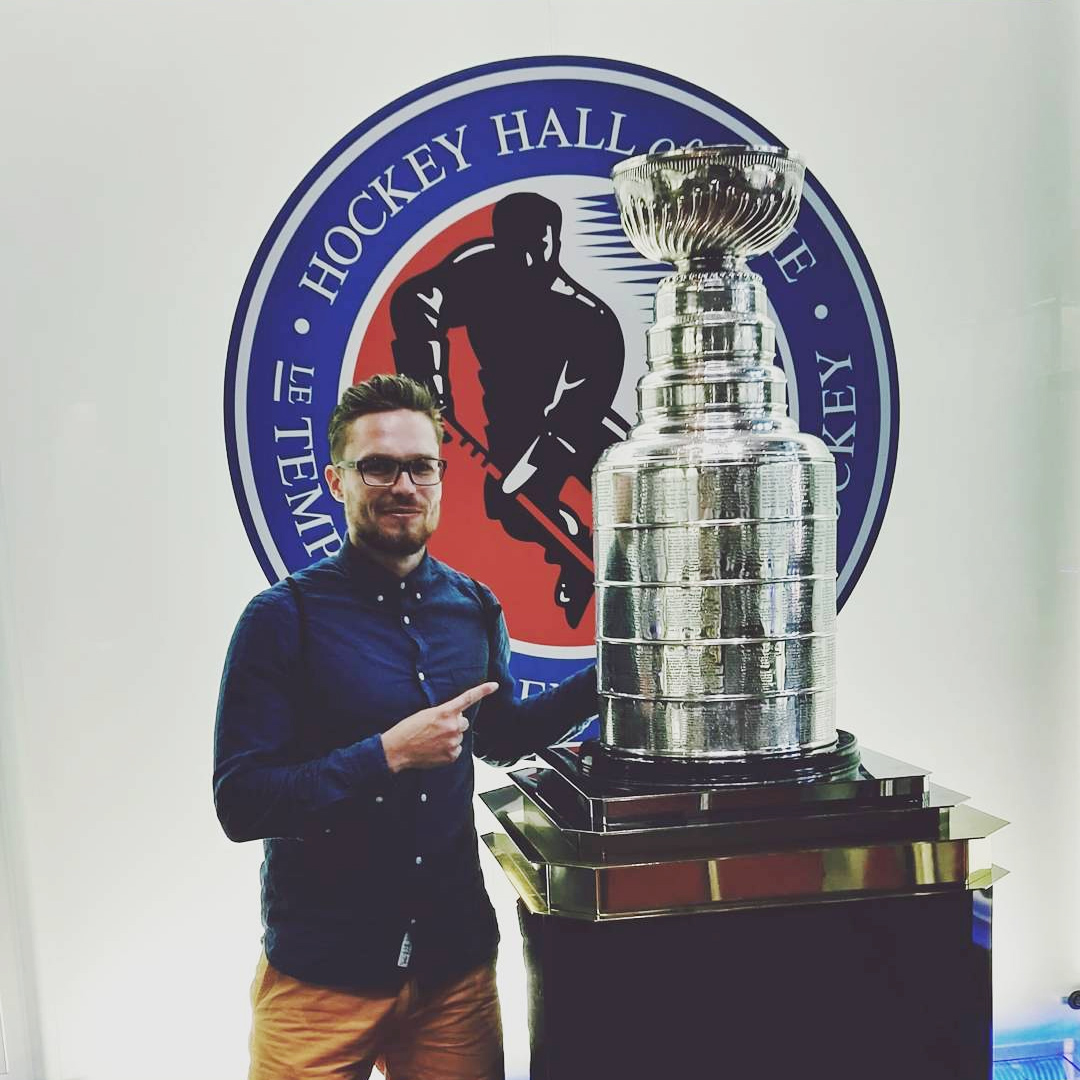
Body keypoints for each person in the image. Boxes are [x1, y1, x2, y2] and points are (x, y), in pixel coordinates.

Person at [213, 373, 598, 1080]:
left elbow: (503, 737)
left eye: (421, 466)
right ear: (337, 480)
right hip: (320, 982)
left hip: (454, 975)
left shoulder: (474, 607)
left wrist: (613, 671)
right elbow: (241, 803)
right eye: (378, 466)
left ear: (441, 479)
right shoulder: (280, 619)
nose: (403, 485)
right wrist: (386, 755)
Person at [390, 191, 629, 628]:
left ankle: (627, 571)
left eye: (538, 245)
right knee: (511, 507)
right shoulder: (481, 272)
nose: (527, 259)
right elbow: (417, 301)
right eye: (515, 245)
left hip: (581, 422)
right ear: (501, 240)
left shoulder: (591, 320)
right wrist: (430, 390)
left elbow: (569, 420)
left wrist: (526, 472)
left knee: (629, 487)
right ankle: (577, 553)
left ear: (554, 241)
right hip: (511, 423)